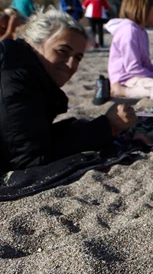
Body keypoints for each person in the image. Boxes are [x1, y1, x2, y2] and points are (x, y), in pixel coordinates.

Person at [0, 10, 136, 174]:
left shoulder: (24, 70)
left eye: (78, 57)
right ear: (32, 43)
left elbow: (29, 137)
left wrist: (74, 129)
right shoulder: (15, 83)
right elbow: (30, 159)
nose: (71, 64)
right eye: (62, 51)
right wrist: (107, 126)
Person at [106, 0, 153, 99]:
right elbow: (133, 67)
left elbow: (146, 63)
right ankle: (120, 91)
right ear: (143, 9)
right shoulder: (129, 31)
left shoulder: (141, 31)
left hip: (137, 76)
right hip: (126, 79)